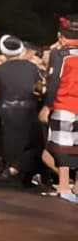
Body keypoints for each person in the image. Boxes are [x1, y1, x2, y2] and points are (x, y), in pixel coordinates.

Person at [42, 16, 78, 200]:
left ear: (60, 36)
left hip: (64, 105)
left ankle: (64, 186)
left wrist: (47, 106)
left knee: (62, 147)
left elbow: (54, 82)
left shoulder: (60, 55)